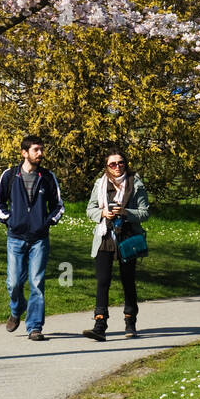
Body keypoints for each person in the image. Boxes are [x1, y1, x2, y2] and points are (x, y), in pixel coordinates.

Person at [0, 134, 64, 341]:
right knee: (14, 283)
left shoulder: (48, 177)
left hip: (39, 239)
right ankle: (17, 309)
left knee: (37, 282)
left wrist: (46, 222)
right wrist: (9, 219)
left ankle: (34, 327)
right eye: (36, 150)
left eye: (41, 149)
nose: (40, 153)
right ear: (24, 153)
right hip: (15, 237)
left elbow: (58, 205)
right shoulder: (10, 175)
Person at [82, 145, 150, 341]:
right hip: (105, 237)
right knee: (103, 281)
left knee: (128, 281)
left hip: (128, 238)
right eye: (113, 164)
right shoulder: (100, 184)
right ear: (107, 166)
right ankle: (100, 324)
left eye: (120, 163)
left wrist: (125, 212)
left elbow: (145, 213)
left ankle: (130, 322)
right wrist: (103, 213)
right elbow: (90, 209)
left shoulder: (135, 184)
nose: (117, 167)